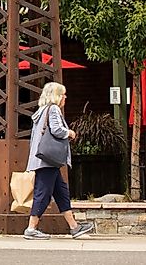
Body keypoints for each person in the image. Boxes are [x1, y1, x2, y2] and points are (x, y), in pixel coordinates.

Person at [25, 81, 94, 240]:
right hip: (47, 161)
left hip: (45, 160)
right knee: (42, 194)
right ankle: (31, 228)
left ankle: (74, 227)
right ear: (56, 96)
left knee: (61, 192)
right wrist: (69, 133)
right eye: (63, 94)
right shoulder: (53, 109)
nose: (65, 97)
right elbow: (56, 130)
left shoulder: (41, 111)